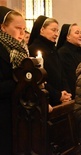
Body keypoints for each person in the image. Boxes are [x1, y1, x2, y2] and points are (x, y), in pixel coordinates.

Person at [0, 6, 29, 154]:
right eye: (18, 28)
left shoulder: (20, 50)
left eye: (24, 29)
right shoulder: (2, 49)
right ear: (3, 27)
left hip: (17, 111)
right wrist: (21, 81)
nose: (22, 33)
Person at [28, 15, 71, 106]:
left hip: (61, 98)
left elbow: (62, 73)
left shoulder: (53, 49)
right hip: (47, 100)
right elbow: (39, 78)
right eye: (53, 30)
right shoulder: (33, 49)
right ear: (42, 30)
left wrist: (66, 93)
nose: (56, 34)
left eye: (57, 31)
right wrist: (58, 95)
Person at [57, 23, 81, 99]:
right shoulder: (64, 52)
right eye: (77, 33)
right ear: (68, 37)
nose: (80, 35)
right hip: (76, 93)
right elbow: (70, 76)